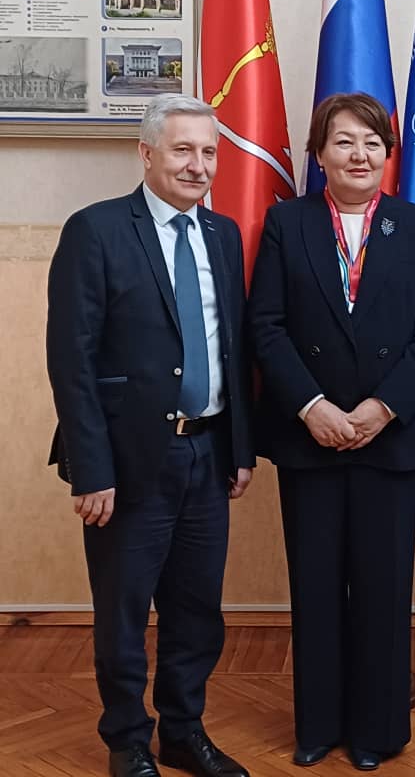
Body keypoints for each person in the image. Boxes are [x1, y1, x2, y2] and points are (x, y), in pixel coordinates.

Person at [46, 95, 253, 777]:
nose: (199, 165)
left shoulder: (223, 235)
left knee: (197, 611)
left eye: (210, 152)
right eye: (183, 150)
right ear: (146, 153)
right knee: (124, 612)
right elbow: (71, 360)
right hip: (128, 461)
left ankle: (183, 731)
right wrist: (91, 469)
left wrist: (239, 448)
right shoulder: (97, 231)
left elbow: (232, 348)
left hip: (208, 452)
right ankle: (128, 740)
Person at [249, 93, 415, 771]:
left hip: (387, 438)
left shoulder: (414, 225)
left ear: (388, 154)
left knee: (383, 590)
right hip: (309, 437)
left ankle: (377, 731)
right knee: (315, 585)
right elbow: (266, 326)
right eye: (343, 141)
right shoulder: (288, 222)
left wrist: (383, 408)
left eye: (372, 142)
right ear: (319, 153)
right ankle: (317, 726)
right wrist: (312, 407)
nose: (359, 154)